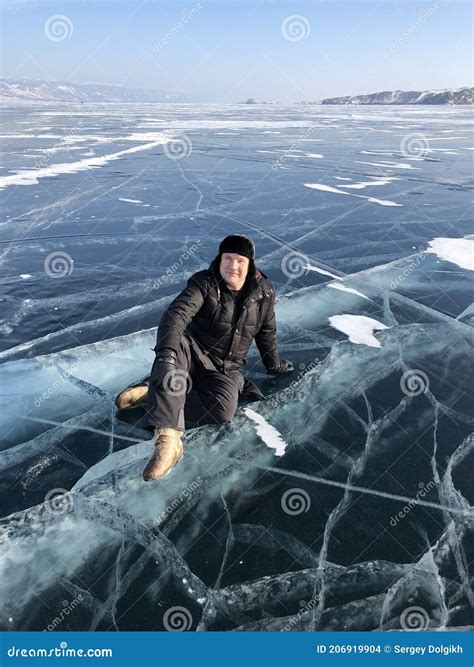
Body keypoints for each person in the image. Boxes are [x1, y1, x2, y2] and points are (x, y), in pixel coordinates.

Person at [115, 234, 294, 481]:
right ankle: (169, 442)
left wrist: (275, 365)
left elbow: (267, 332)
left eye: (240, 260)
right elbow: (175, 315)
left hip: (226, 368)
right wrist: (166, 354)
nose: (233, 266)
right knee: (175, 342)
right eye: (227, 258)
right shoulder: (204, 283)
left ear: (250, 264)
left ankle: (155, 393)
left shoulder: (264, 294)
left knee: (223, 410)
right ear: (219, 259)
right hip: (191, 354)